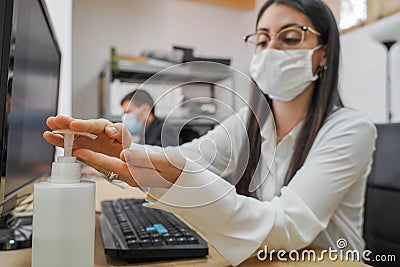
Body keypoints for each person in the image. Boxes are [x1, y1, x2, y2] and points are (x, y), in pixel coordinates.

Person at [43, 0, 376, 266]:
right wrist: (124, 151)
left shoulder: (349, 130)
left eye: (289, 38)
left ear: (324, 54)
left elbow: (286, 226)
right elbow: (188, 158)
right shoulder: (249, 122)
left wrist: (178, 178)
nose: (270, 50)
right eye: (261, 40)